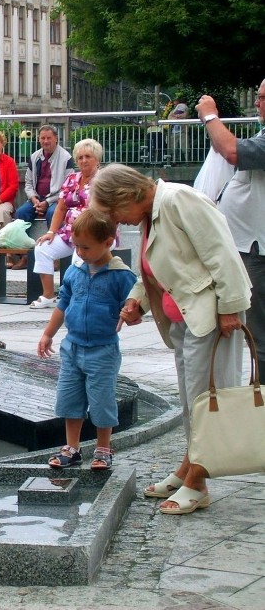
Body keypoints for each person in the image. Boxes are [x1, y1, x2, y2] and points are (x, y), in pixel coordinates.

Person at [92, 164, 251, 514]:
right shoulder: (152, 213)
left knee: (205, 400)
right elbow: (158, 267)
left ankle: (198, 481)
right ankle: (188, 466)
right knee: (192, 400)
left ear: (127, 196)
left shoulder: (180, 201)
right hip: (186, 318)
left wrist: (231, 309)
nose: (117, 223)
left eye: (115, 213)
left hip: (209, 315)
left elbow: (223, 255)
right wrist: (138, 298)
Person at [37, 210, 137, 470]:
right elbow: (63, 304)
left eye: (86, 247)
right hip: (72, 347)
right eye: (77, 246)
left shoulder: (121, 275)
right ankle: (72, 447)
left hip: (102, 350)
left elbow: (134, 306)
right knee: (70, 400)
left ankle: (103, 448)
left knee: (102, 400)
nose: (80, 252)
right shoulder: (74, 270)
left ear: (108, 242)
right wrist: (48, 333)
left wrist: (131, 313)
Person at [196, 82, 265, 378]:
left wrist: (211, 116)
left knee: (259, 336)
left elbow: (232, 151)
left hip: (258, 251)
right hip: (252, 246)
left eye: (262, 97)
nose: (258, 103)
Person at [28, 139, 105, 309]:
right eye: (80, 157)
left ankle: (77, 297)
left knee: (78, 258)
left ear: (97, 159)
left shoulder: (104, 180)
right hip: (70, 232)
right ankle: (48, 295)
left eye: (88, 156)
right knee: (42, 248)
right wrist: (51, 232)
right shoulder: (72, 179)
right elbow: (61, 208)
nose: (83, 160)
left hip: (96, 233)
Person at [11, 125, 74, 269]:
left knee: (53, 213)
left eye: (49, 138)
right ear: (39, 139)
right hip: (36, 198)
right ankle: (24, 256)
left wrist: (47, 202)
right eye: (42, 138)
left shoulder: (66, 158)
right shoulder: (34, 157)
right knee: (20, 213)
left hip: (56, 199)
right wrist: (33, 198)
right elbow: (28, 182)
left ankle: (55, 257)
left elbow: (67, 186)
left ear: (56, 139)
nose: (46, 141)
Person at [168, 97, 189, 163]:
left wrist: (176, 117)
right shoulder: (172, 112)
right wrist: (178, 117)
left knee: (185, 146)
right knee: (173, 147)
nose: (175, 105)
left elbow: (185, 116)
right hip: (174, 131)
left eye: (176, 104)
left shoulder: (185, 109)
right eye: (174, 105)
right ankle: (174, 161)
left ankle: (187, 161)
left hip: (183, 131)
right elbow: (169, 119)